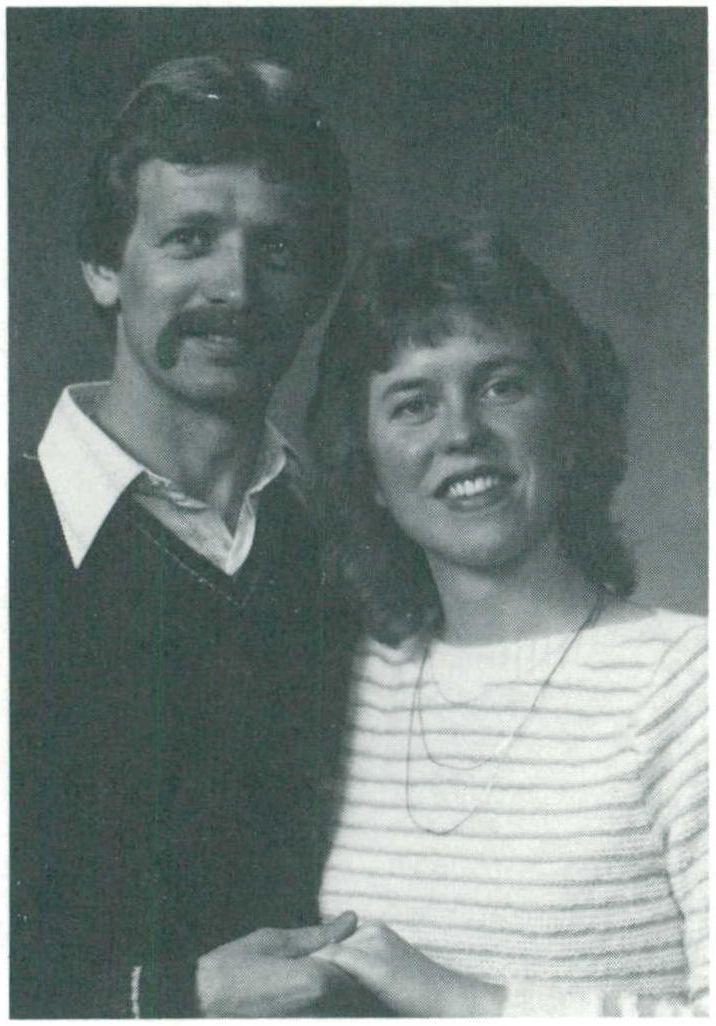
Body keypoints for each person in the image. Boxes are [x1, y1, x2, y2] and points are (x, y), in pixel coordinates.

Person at [10, 54, 369, 1017]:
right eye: (189, 239)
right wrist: (178, 997)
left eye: (277, 250)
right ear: (104, 268)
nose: (235, 287)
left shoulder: (357, 550)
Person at [309, 227, 708, 1016]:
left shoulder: (689, 684)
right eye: (413, 405)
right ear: (371, 470)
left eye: (500, 387)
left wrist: (459, 999)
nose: (461, 433)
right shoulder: (360, 682)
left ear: (571, 424)